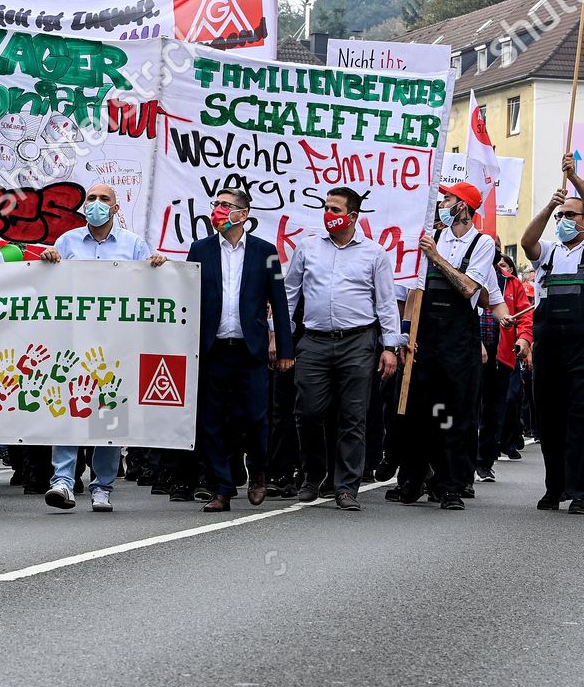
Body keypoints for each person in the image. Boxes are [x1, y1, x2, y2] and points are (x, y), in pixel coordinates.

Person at [38, 183, 165, 512]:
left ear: (115, 207)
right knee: (68, 410)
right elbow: (49, 289)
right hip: (72, 342)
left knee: (108, 413)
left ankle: (102, 486)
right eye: (91, 199)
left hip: (114, 345)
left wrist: (157, 267)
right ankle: (63, 481)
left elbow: (150, 289)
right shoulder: (66, 243)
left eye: (103, 199)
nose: (96, 204)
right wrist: (48, 261)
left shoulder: (134, 245)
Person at [284, 187, 402, 512]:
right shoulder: (307, 248)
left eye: (335, 210)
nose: (328, 215)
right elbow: (290, 292)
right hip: (314, 340)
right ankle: (312, 476)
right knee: (307, 411)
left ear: (352, 216)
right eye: (326, 208)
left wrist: (390, 346)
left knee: (353, 415)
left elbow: (387, 303)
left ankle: (346, 487)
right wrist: (278, 335)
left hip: (358, 342)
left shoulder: (374, 254)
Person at [390, 182, 500, 510]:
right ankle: (411, 479)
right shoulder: (429, 238)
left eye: (449, 198)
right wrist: (404, 336)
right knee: (415, 411)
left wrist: (436, 258)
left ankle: (451, 485)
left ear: (463, 206)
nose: (442, 202)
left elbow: (469, 288)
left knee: (454, 415)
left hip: (458, 343)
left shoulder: (482, 244)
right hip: (425, 339)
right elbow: (410, 293)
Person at [519, 153, 584, 514]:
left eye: (569, 215)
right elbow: (527, 240)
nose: (563, 221)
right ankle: (553, 488)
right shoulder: (548, 253)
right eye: (561, 217)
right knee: (550, 419)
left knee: (582, 418)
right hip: (550, 346)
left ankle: (580, 493)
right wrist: (550, 206)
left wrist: (575, 179)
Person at [185, 187, 293, 512]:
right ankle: (223, 487)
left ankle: (258, 470)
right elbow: (186, 295)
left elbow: (280, 302)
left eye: (225, 205)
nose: (217, 209)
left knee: (258, 418)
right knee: (212, 420)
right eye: (216, 204)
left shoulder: (267, 252)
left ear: (243, 214)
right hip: (214, 349)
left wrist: (284, 347)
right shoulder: (200, 249)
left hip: (251, 350)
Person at [478, 252, 533, 479]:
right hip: (469, 352)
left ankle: (484, 462)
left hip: (501, 355)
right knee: (466, 411)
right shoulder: (468, 276)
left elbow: (525, 318)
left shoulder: (512, 282)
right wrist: (475, 342)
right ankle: (459, 467)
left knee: (494, 411)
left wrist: (523, 339)